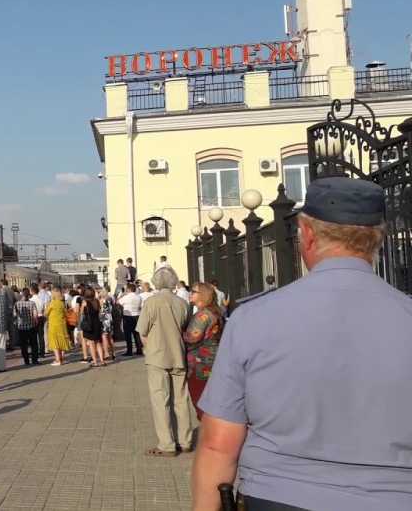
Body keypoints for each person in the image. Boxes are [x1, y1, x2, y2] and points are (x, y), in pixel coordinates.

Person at [192, 178, 412, 511]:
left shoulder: (254, 319)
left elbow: (217, 447)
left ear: (306, 234)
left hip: (277, 495)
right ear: (377, 238)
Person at [136, 267, 193, 458]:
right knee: (181, 400)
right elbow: (186, 327)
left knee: (161, 400)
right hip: (179, 354)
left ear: (155, 282)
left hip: (157, 355)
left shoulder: (151, 303)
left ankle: (167, 444)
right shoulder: (182, 303)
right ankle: (185, 441)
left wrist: (147, 349)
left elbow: (142, 331)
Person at [183, 282, 222, 418]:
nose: (190, 293)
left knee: (199, 397)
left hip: (200, 363)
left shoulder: (202, 315)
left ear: (203, 296)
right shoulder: (215, 311)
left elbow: (192, 337)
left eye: (193, 291)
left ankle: (210, 431)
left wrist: (179, 333)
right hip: (214, 360)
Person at [44, 287, 72, 366]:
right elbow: (66, 313)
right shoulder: (61, 303)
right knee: (62, 341)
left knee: (55, 342)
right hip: (62, 324)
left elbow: (45, 313)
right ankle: (62, 359)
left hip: (53, 324)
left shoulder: (52, 303)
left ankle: (57, 360)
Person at [13, 288, 40, 365]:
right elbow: (35, 315)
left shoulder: (17, 304)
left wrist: (16, 323)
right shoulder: (32, 303)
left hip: (21, 327)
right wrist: (35, 322)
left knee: (23, 345)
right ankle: (34, 360)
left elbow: (14, 315)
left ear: (22, 294)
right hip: (31, 326)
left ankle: (26, 360)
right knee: (34, 344)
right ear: (29, 295)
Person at [80, 288, 105, 367]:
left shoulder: (85, 302)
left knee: (91, 343)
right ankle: (102, 361)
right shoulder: (97, 301)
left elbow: (81, 313)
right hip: (97, 323)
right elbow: (99, 311)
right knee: (98, 343)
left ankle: (95, 361)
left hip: (89, 324)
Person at [118, 283, 144, 356]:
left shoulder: (126, 297)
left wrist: (122, 294)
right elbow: (141, 306)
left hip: (128, 316)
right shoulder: (139, 297)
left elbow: (118, 302)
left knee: (128, 334)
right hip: (137, 315)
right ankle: (139, 349)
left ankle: (129, 351)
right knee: (136, 334)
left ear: (128, 289)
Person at [97, 287, 116, 361]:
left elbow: (100, 311)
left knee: (104, 336)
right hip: (109, 319)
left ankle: (106, 353)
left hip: (103, 320)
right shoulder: (109, 300)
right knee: (110, 337)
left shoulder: (101, 301)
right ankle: (113, 353)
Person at [29, 284, 47, 358]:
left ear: (32, 291)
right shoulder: (41, 299)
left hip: (34, 318)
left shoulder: (31, 300)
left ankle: (35, 352)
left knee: (33, 336)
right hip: (41, 317)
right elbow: (44, 308)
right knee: (41, 336)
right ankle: (42, 352)